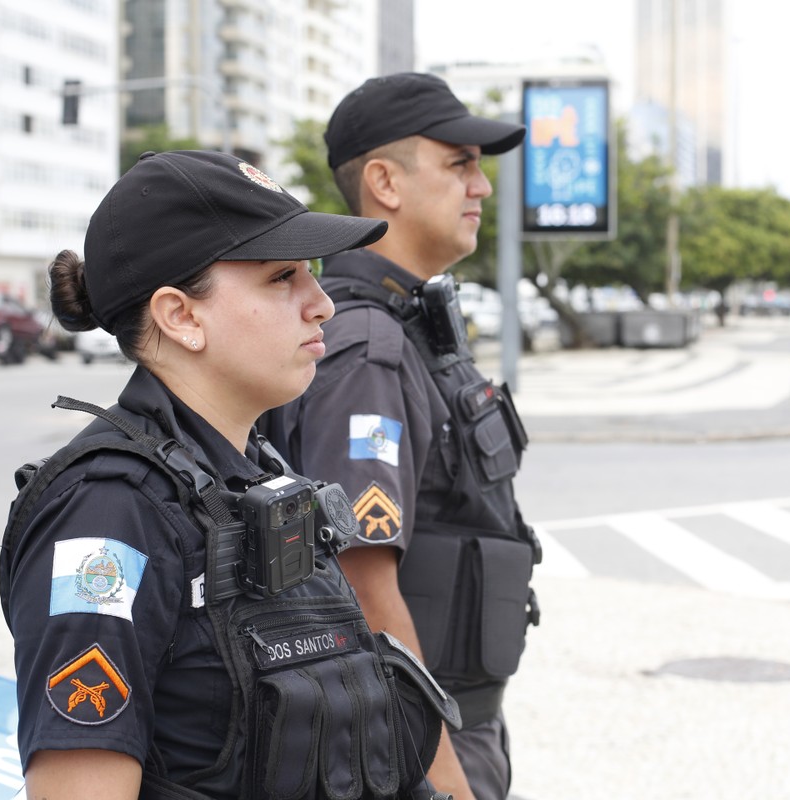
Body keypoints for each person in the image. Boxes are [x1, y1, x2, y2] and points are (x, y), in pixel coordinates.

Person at [0, 150, 460, 800]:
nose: (322, 304)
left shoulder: (254, 475)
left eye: (312, 274)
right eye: (282, 277)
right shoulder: (107, 515)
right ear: (181, 316)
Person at [260, 73, 541, 800]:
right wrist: (447, 783)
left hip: (448, 720)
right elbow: (361, 580)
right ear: (384, 182)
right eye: (460, 163)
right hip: (417, 740)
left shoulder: (405, 325)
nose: (481, 185)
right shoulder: (368, 343)